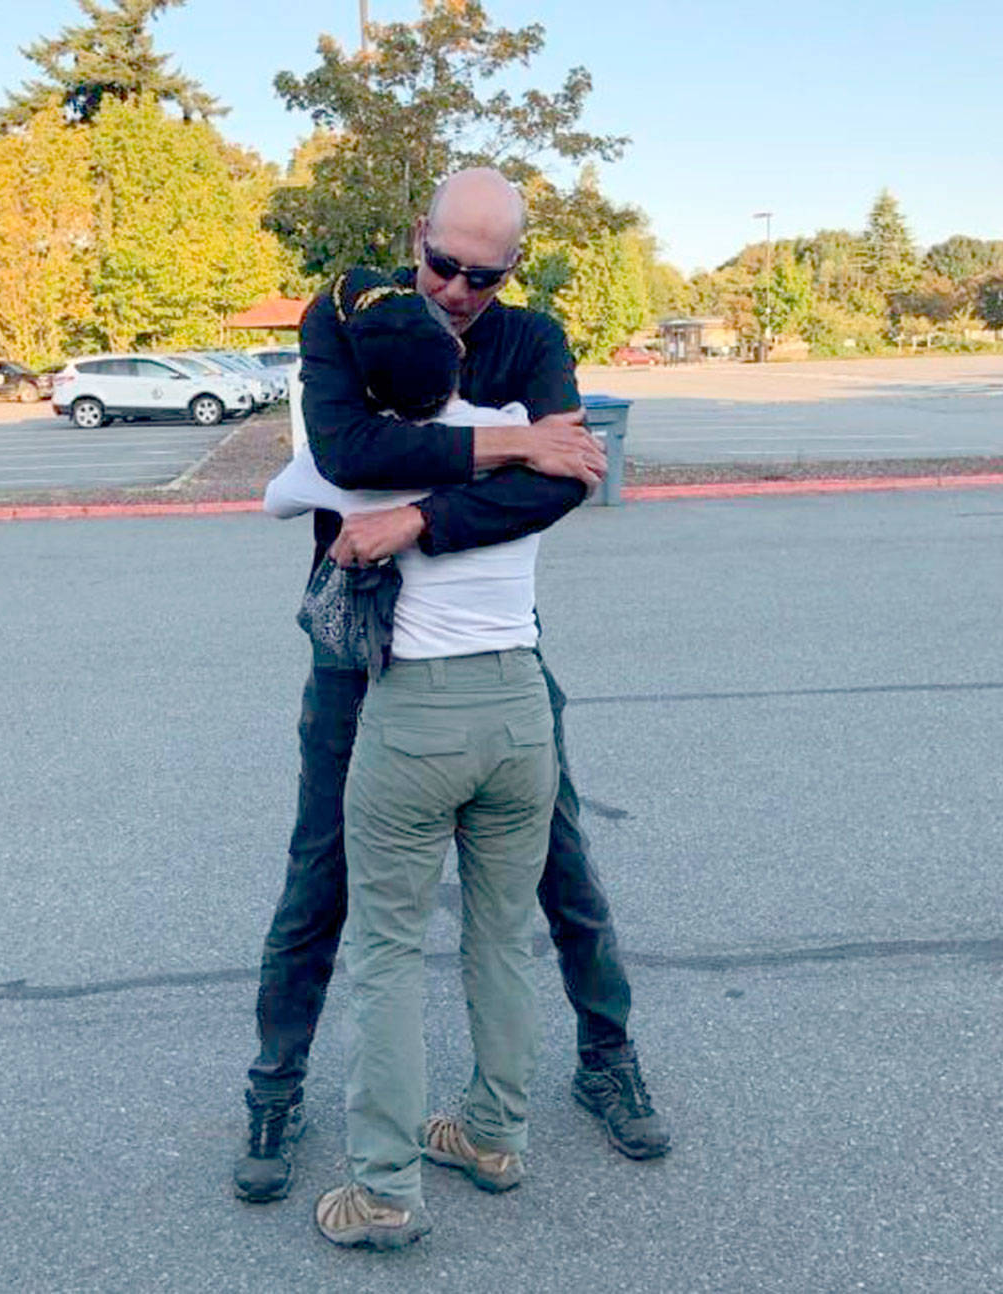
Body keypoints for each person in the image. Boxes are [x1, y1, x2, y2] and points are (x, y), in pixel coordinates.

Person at [234, 168, 671, 1207]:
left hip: (490, 651)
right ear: (415, 237)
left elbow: (561, 489)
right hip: (357, 646)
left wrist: (418, 516)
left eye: (487, 273)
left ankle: (606, 1055)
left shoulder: (530, 338)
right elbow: (347, 446)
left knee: (557, 865)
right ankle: (274, 1085)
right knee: (319, 874)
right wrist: (511, 441)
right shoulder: (350, 313)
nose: (461, 290)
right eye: (444, 265)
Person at [266, 277, 565, 1246]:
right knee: (502, 935)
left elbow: (286, 491)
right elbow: (568, 464)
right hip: (521, 709)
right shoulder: (514, 426)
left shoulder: (348, 463)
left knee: (388, 951)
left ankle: (385, 1190)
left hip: (418, 718)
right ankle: (492, 1134)